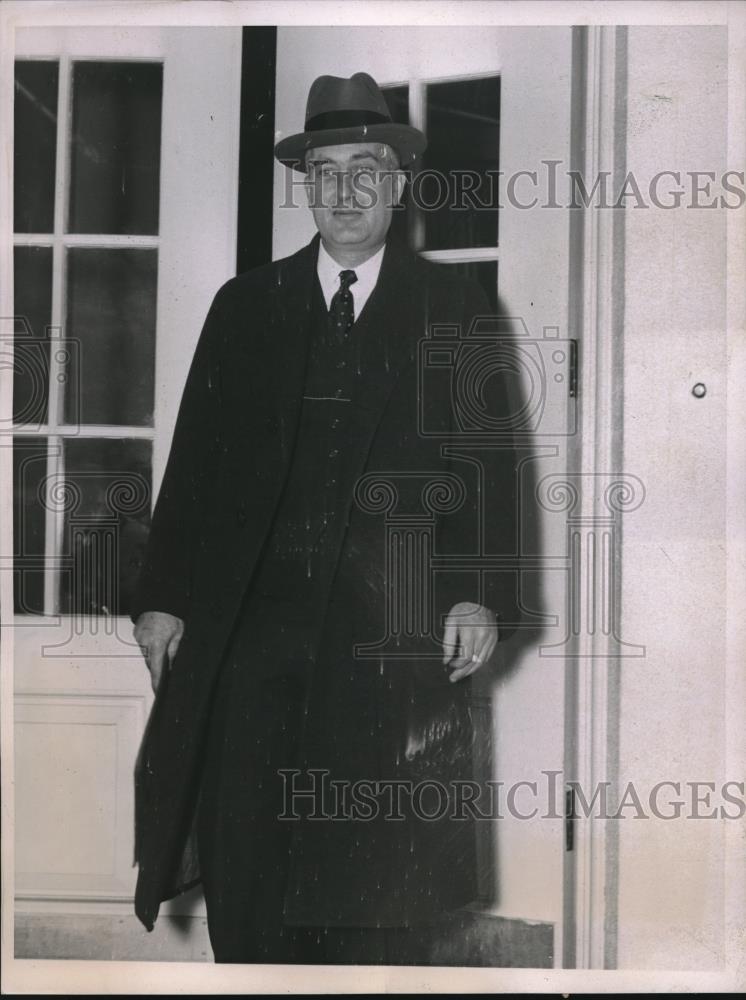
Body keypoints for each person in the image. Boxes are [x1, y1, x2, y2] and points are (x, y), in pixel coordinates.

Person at [131, 71, 519, 965]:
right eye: (326, 171)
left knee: (379, 895)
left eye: (365, 170)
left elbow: (486, 472)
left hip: (390, 645)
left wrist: (478, 595)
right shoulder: (244, 307)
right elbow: (192, 470)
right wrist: (163, 596)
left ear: (396, 185)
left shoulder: (454, 310)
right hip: (251, 647)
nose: (344, 192)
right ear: (306, 183)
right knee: (253, 878)